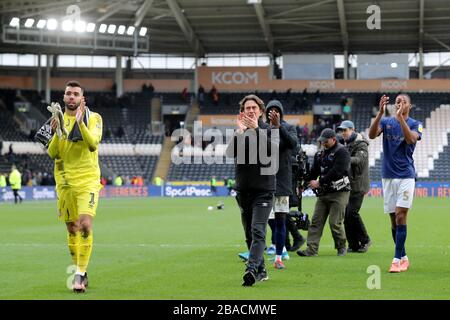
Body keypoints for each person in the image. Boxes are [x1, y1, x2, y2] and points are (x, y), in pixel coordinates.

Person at [47, 80, 103, 293]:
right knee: (72, 228)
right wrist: (56, 131)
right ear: (63, 98)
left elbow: (92, 144)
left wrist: (80, 123)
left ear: (82, 99)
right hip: (65, 183)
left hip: (87, 180)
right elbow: (53, 153)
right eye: (68, 93)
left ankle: (79, 273)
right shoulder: (56, 119)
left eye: (75, 94)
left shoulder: (94, 118)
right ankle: (83, 270)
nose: (71, 97)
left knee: (85, 224)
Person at [226, 94, 276, 286]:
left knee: (258, 231)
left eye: (254, 108)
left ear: (261, 111)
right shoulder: (240, 132)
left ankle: (251, 268)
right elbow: (230, 153)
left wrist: (256, 129)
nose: (251, 111)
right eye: (247, 108)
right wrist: (239, 132)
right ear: (242, 112)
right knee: (249, 234)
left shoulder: (270, 130)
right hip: (243, 191)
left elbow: (272, 152)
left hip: (263, 190)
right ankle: (261, 270)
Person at [368, 94, 422, 273]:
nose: (400, 103)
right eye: (397, 101)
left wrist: (400, 119)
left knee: (400, 215)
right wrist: (379, 114)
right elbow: (371, 134)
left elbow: (411, 139)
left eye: (404, 101)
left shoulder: (415, 123)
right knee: (393, 219)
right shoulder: (387, 122)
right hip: (388, 175)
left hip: (406, 175)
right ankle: (404, 256)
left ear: (410, 106)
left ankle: (396, 260)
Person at [297, 128, 351, 257]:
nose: (323, 144)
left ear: (333, 139)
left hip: (339, 192)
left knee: (335, 223)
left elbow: (338, 171)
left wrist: (319, 182)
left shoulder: (342, 151)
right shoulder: (320, 154)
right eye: (322, 141)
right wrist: (304, 185)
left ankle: (341, 247)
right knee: (316, 222)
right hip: (323, 193)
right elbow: (314, 172)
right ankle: (311, 250)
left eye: (325, 141)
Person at [264, 100, 298, 269]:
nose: (274, 113)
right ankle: (261, 251)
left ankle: (279, 255)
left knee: (281, 220)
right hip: (263, 180)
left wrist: (279, 127)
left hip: (282, 181)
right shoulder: (263, 129)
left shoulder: (289, 128)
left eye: (277, 111)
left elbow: (293, 144)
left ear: (281, 113)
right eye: (271, 111)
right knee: (262, 220)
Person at [336, 120, 371, 253]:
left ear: (352, 130)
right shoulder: (345, 143)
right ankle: (353, 244)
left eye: (345, 130)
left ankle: (366, 240)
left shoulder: (361, 144)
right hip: (348, 184)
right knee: (347, 214)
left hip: (358, 185)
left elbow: (360, 160)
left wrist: (344, 158)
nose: (343, 133)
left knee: (352, 213)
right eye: (342, 130)